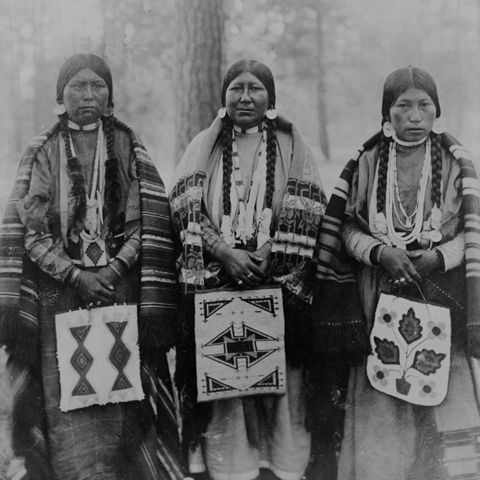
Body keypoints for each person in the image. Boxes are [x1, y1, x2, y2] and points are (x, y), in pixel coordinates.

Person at [0, 54, 184, 480]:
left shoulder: (128, 145)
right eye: (78, 86)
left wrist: (116, 267)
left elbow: (149, 221)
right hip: (59, 295)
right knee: (64, 397)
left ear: (110, 96)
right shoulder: (43, 149)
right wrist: (75, 274)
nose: (88, 94)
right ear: (60, 97)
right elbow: (29, 229)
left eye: (97, 86)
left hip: (120, 292)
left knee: (125, 397)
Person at [313, 66, 480, 479]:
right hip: (379, 296)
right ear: (387, 113)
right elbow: (346, 227)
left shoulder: (457, 163)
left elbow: (471, 231)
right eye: (403, 106)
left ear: (436, 110)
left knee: (442, 389)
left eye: (424, 105)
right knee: (382, 386)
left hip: (441, 296)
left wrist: (439, 258)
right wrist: (380, 252)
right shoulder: (368, 161)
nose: (415, 115)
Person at [169, 59, 326, 480]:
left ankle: (283, 468)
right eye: (236, 88)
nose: (245, 97)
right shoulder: (203, 146)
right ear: (223, 97)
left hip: (278, 285)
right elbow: (184, 205)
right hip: (217, 285)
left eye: (255, 88)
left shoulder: (294, 148)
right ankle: (231, 470)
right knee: (226, 387)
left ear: (270, 98)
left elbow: (311, 210)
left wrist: (270, 250)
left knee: (282, 388)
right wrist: (224, 252)